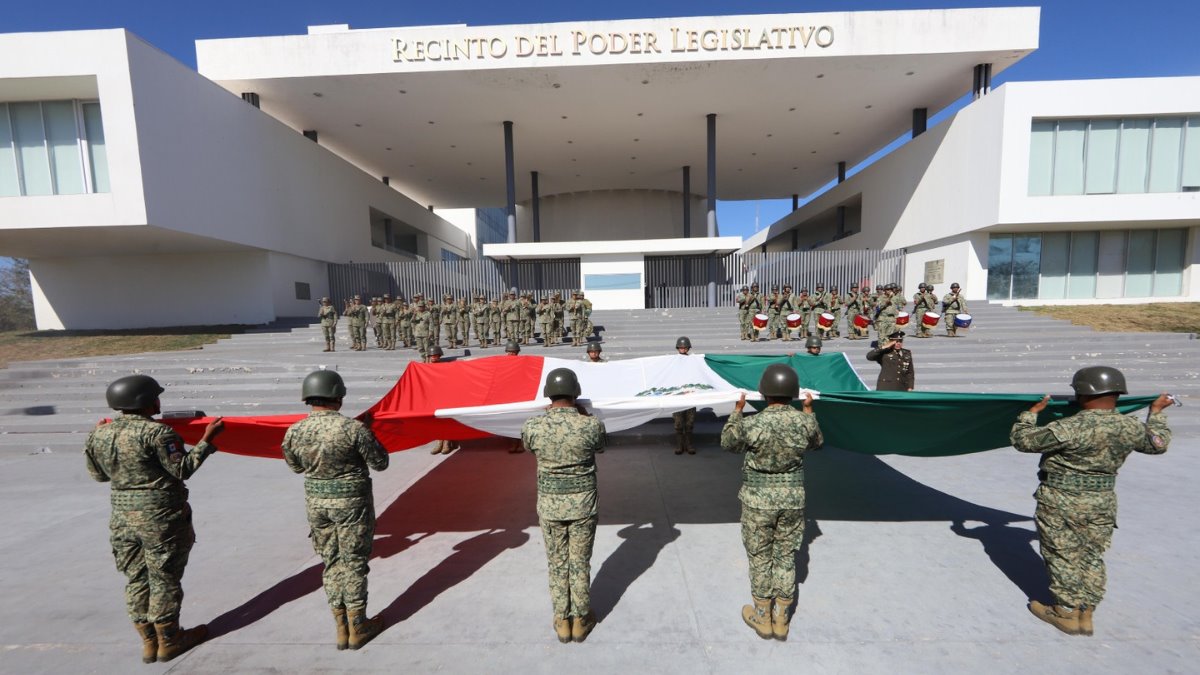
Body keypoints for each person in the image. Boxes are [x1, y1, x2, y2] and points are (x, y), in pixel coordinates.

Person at [1010, 367, 1173, 636]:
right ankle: (1086, 611)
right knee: (1092, 554)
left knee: (1062, 554)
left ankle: (1066, 612)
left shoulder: (1070, 426)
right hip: (1103, 500)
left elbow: (1023, 441)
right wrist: (1156, 414)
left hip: (1061, 500)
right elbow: (1158, 443)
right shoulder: (1130, 426)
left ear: (1082, 393)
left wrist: (1031, 414)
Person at [84, 375, 225, 663]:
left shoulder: (99, 433)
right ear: (145, 402)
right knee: (164, 577)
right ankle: (170, 640)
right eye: (155, 397)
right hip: (161, 517)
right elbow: (182, 470)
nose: (159, 401)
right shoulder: (159, 434)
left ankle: (149, 642)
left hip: (122, 518)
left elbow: (98, 475)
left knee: (136, 578)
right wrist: (207, 440)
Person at [283, 370, 390, 650]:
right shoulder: (352, 429)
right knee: (353, 562)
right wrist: (367, 432)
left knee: (331, 562)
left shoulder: (295, 430)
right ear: (338, 396)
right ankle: (359, 626)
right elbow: (380, 463)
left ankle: (341, 627)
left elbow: (296, 467)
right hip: (352, 505)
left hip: (317, 506)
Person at [720, 364, 823, 641]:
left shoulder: (753, 423)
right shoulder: (804, 421)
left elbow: (728, 443)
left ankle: (762, 616)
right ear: (793, 393)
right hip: (792, 499)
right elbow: (816, 442)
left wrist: (737, 411)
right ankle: (782, 618)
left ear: (764, 393)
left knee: (760, 556)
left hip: (758, 501)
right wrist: (809, 410)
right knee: (786, 556)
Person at [521, 368, 607, 643]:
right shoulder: (591, 425)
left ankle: (562, 620)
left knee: (557, 563)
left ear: (549, 393)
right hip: (583, 505)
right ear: (576, 393)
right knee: (579, 562)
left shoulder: (533, 426)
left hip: (550, 506)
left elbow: (529, 447)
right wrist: (582, 418)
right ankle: (580, 620)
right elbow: (601, 446)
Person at [672, 336, 697, 455]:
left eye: (685, 347)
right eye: (681, 347)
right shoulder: (673, 361)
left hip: (690, 395)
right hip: (677, 396)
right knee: (678, 423)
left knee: (690, 422)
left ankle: (689, 444)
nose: (683, 349)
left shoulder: (693, 360)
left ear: (688, 348)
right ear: (678, 348)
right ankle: (679, 444)